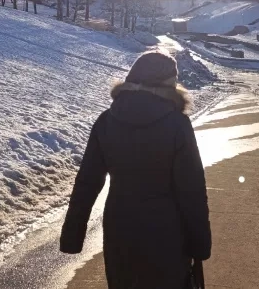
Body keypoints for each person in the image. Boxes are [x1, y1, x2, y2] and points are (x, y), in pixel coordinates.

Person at [60, 52, 211, 289]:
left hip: (120, 230)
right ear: (168, 84)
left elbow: (87, 182)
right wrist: (200, 244)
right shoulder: (177, 125)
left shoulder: (106, 121)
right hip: (168, 234)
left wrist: (72, 236)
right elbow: (192, 191)